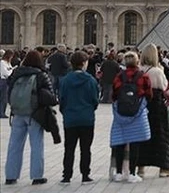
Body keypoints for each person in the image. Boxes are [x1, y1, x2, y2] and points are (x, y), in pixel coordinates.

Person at [4, 50, 57, 186]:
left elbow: (9, 92)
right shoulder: (41, 75)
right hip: (35, 114)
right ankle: (37, 176)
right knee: (36, 144)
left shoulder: (16, 73)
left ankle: (11, 176)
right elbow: (50, 97)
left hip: (18, 113)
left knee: (14, 145)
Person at [110, 51, 152, 183]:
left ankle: (118, 173)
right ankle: (132, 173)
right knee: (135, 144)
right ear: (137, 61)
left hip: (121, 114)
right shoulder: (143, 76)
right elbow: (149, 94)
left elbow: (114, 95)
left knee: (120, 143)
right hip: (137, 113)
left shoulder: (118, 76)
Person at [58, 50, 99, 184]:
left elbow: (61, 99)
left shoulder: (64, 80)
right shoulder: (91, 80)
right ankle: (85, 175)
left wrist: (66, 112)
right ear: (83, 63)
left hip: (70, 119)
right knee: (85, 149)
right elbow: (95, 100)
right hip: (87, 118)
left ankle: (66, 176)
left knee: (69, 148)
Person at [136, 44, 169, 178]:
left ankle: (140, 168)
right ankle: (164, 169)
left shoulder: (138, 70)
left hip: (142, 106)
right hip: (156, 106)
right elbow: (164, 86)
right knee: (160, 136)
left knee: (142, 136)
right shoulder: (157, 71)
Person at [0, 49, 14, 118]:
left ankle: (3, 112)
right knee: (3, 97)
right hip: (3, 80)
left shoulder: (8, 62)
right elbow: (5, 73)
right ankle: (1, 112)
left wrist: (11, 70)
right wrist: (11, 71)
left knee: (5, 97)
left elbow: (10, 69)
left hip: (7, 80)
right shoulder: (2, 62)